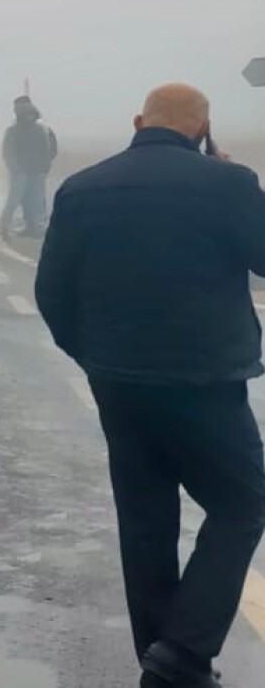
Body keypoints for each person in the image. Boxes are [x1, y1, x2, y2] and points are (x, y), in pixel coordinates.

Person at [34, 83, 265, 688]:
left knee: (145, 520)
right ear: (202, 130)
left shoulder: (81, 187)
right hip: (206, 383)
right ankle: (184, 654)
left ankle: (160, 658)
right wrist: (243, 182)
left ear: (139, 122)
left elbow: (51, 292)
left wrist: (93, 357)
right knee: (242, 505)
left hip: (119, 384)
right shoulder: (228, 184)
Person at [0, 95, 57, 239]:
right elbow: (8, 151)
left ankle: (36, 228)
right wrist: (15, 168)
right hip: (21, 172)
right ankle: (6, 226)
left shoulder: (40, 130)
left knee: (36, 201)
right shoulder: (13, 131)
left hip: (37, 172)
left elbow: (48, 149)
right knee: (16, 200)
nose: (29, 117)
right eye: (26, 114)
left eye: (31, 114)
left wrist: (45, 166)